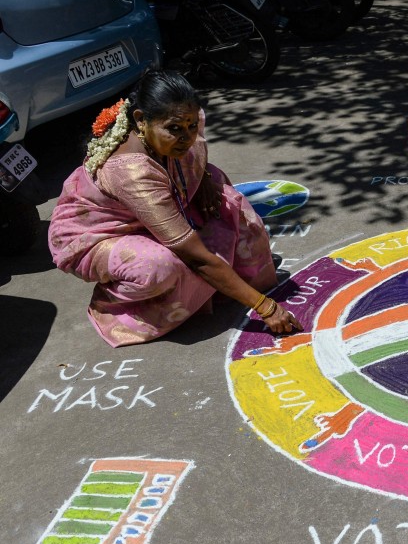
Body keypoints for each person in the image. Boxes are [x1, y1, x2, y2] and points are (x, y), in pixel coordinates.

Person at [48, 69, 302, 347]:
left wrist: (203, 176)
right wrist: (267, 308)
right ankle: (118, 310)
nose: (187, 137)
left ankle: (219, 285)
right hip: (96, 236)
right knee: (161, 266)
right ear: (141, 121)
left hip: (147, 206)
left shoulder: (180, 117)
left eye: (191, 127)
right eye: (175, 129)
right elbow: (198, 259)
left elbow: (195, 146)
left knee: (225, 199)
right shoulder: (132, 171)